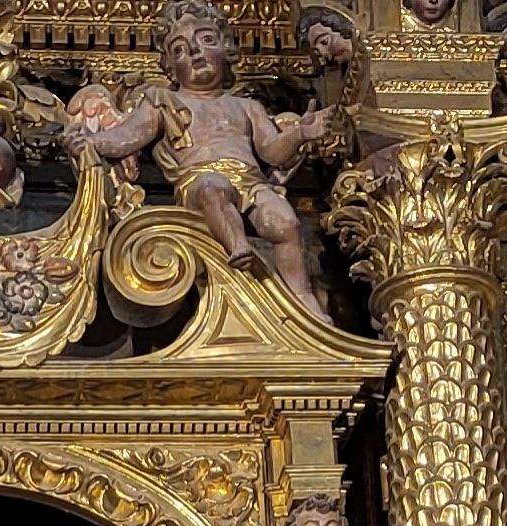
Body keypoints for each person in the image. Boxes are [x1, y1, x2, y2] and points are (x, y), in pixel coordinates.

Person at [75, 0, 340, 318]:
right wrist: (89, 140)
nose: (196, 53)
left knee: (285, 221)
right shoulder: (164, 102)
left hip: (252, 181)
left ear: (227, 49)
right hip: (199, 179)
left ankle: (302, 298)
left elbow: (271, 151)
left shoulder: (247, 107)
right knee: (212, 189)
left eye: (207, 41)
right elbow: (125, 138)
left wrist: (300, 134)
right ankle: (237, 245)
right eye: (180, 50)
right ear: (170, 69)